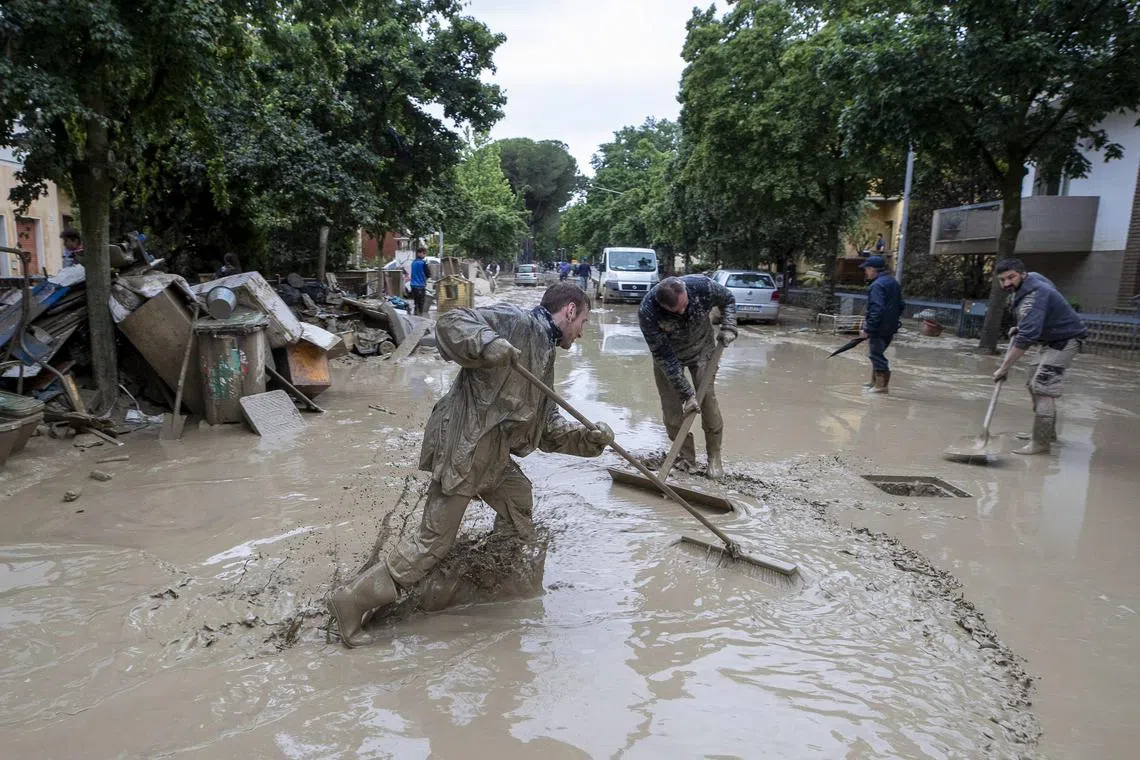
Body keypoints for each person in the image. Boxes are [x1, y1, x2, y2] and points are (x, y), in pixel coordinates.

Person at [327, 282, 615, 647]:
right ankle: (351, 601)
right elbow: (450, 323)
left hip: (492, 454)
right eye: (584, 321)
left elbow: (546, 429)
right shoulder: (516, 320)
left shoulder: (545, 351)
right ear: (570, 310)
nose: (583, 331)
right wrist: (488, 344)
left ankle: (488, 582)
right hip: (465, 445)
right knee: (432, 542)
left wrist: (589, 440)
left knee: (518, 501)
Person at [638, 275, 737, 480]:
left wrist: (729, 327)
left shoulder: (702, 286)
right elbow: (665, 358)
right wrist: (687, 395)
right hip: (669, 356)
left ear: (686, 291)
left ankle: (714, 458)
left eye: (685, 305)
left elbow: (728, 299)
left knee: (708, 402)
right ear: (662, 306)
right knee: (672, 414)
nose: (683, 311)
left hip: (702, 350)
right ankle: (686, 459)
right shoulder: (648, 312)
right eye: (676, 311)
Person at [991, 259, 1087, 455]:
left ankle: (1041, 444)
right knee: (1032, 384)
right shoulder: (1034, 278)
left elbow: (1026, 338)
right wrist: (1023, 325)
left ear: (1022, 274)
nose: (1007, 283)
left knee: (1043, 387)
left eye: (1011, 277)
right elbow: (1043, 309)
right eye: (1002, 280)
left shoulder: (1031, 298)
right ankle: (1046, 433)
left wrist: (1004, 368)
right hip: (1048, 340)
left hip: (1065, 341)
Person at [859, 255, 903, 393]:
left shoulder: (877, 285)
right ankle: (874, 382)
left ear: (872, 269)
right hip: (890, 326)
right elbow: (901, 305)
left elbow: (877, 308)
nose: (866, 272)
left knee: (875, 354)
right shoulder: (893, 282)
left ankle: (881, 386)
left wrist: (868, 328)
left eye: (867, 269)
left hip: (879, 327)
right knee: (877, 352)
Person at [410, 246, 430, 316]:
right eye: (424, 253)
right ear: (419, 253)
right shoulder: (423, 263)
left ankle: (415, 315)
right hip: (420, 285)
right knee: (421, 303)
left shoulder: (413, 263)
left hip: (413, 285)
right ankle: (420, 317)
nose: (425, 255)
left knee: (416, 302)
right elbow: (428, 274)